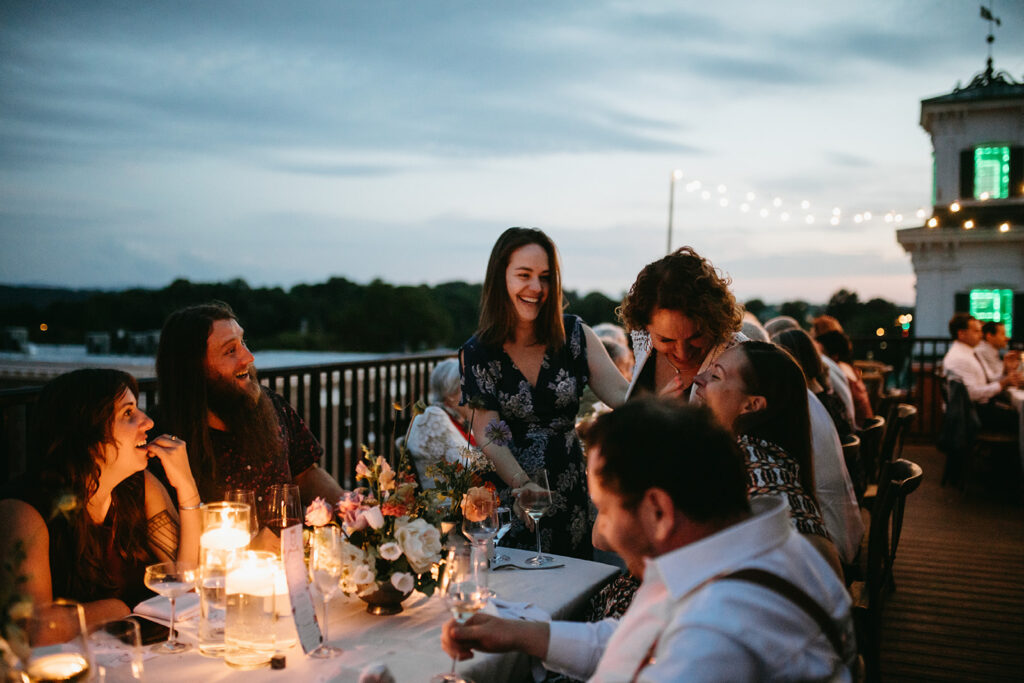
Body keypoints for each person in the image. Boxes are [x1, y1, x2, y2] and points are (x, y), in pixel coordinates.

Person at [441, 399, 855, 681]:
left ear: (658, 511)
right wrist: (519, 634)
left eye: (605, 508)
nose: (600, 536)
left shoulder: (715, 633)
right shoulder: (742, 552)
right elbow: (633, 645)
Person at [460, 228, 628, 559]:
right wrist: (523, 485)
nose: (536, 288)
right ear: (500, 277)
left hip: (569, 488)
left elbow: (624, 395)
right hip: (510, 496)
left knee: (574, 584)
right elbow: (487, 433)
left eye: (545, 277)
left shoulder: (576, 335)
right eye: (524, 275)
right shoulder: (478, 351)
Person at [0, 369, 201, 627]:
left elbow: (185, 586)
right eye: (128, 413)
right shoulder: (24, 511)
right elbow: (34, 629)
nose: (148, 421)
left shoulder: (138, 488)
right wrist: (119, 609)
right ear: (87, 433)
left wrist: (187, 486)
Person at [154, 301, 344, 508]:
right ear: (193, 368)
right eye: (230, 351)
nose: (249, 357)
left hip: (294, 539)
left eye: (243, 342)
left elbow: (306, 474)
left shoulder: (273, 406)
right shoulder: (162, 438)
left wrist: (352, 508)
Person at [694, 341, 844, 577]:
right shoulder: (772, 457)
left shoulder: (742, 468)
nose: (698, 378)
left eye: (715, 376)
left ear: (752, 404)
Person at [619, 246, 745, 402]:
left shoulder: (739, 354)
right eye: (666, 340)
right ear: (645, 327)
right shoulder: (643, 342)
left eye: (696, 336)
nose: (683, 353)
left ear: (714, 321)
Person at [941, 313, 1022, 430]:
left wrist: (1005, 374)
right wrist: (1003, 383)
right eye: (976, 331)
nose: (981, 335)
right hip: (974, 414)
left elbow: (987, 380)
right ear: (961, 334)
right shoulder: (959, 358)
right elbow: (971, 394)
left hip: (978, 409)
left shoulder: (969, 353)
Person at [405, 358, 475, 488]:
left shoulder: (457, 420)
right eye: (468, 387)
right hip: (446, 503)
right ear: (451, 394)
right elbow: (469, 468)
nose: (475, 393)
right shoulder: (433, 417)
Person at [815, 329, 875, 426]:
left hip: (860, 427)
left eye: (821, 352)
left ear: (834, 356)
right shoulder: (848, 368)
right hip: (865, 425)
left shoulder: (833, 370)